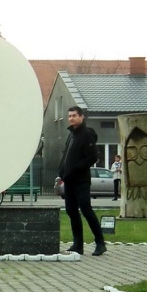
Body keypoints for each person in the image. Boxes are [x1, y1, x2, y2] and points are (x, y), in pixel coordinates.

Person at [59, 106, 106, 256]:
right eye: (69, 116)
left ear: (81, 117)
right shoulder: (71, 135)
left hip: (81, 181)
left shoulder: (86, 134)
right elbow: (66, 155)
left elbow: (92, 157)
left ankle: (100, 243)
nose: (71, 118)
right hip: (69, 181)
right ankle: (78, 244)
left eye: (74, 116)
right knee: (71, 211)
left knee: (86, 210)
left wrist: (75, 169)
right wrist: (62, 170)